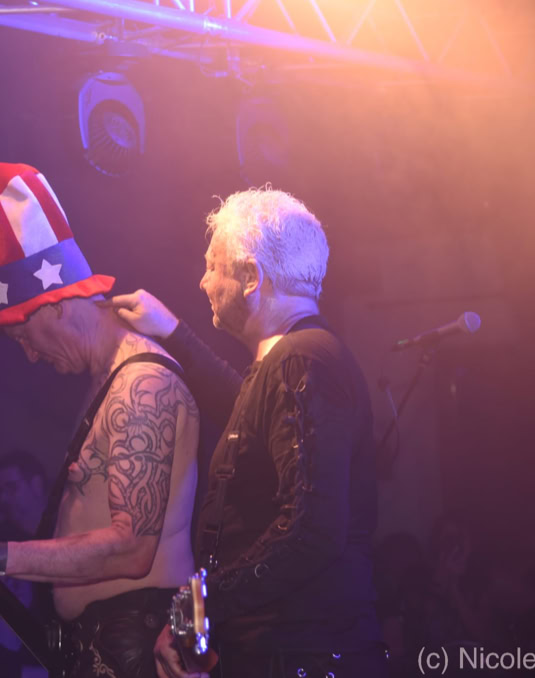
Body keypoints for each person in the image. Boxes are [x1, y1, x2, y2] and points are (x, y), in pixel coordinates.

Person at [0, 162, 201, 678]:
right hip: (103, 644)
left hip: (136, 646)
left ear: (54, 306)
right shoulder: (108, 379)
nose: (29, 356)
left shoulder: (143, 385)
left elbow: (132, 548)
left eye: (23, 337)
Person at [104, 187, 387, 677]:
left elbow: (312, 531)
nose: (203, 281)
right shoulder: (294, 359)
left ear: (251, 278)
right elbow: (246, 415)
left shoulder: (302, 361)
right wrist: (173, 332)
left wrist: (195, 608)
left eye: (213, 267)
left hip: (301, 657)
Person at [0, 450, 48, 540]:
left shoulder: (64, 530)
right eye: (0, 491)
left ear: (37, 485)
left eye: (11, 487)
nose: (3, 498)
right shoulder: (0, 537)